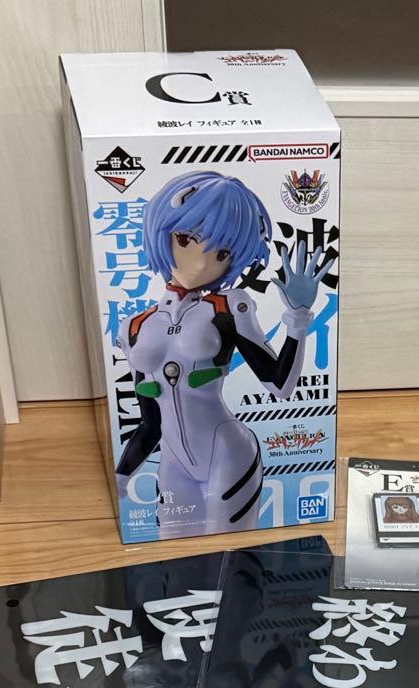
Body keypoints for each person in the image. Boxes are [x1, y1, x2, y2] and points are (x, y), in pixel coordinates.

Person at [116, 170, 335, 536]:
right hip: (172, 462)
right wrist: (123, 474)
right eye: (186, 239)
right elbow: (150, 423)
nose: (202, 264)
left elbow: (280, 386)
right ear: (161, 232)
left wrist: (298, 318)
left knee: (234, 553)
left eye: (221, 253)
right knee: (173, 552)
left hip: (228, 454)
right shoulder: (135, 326)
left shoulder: (228, 307)